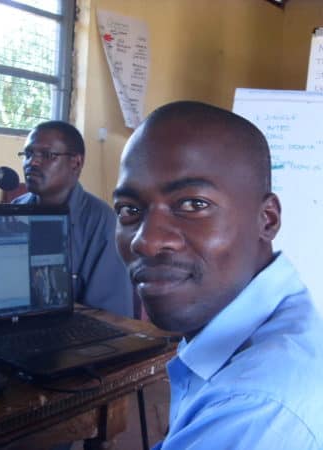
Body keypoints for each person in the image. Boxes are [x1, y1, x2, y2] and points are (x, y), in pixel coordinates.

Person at [113, 101, 323, 449]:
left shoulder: (254, 406)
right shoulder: (282, 318)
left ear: (266, 220)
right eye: (129, 210)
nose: (146, 241)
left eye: (193, 204)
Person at [13, 120, 133, 317]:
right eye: (28, 154)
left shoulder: (103, 222)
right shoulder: (16, 210)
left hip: (77, 336)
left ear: (76, 163)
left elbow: (111, 316)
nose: (32, 162)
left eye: (47, 155)